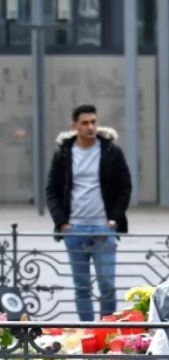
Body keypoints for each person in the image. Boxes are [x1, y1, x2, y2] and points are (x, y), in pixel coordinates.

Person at [46, 105, 132, 321]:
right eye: (84, 123)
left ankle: (107, 333)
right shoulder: (64, 154)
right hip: (74, 229)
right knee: (81, 287)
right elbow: (52, 190)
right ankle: (86, 332)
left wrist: (113, 220)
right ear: (74, 125)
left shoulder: (112, 151)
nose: (90, 127)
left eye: (93, 122)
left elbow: (125, 187)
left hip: (104, 228)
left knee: (108, 286)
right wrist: (62, 223)